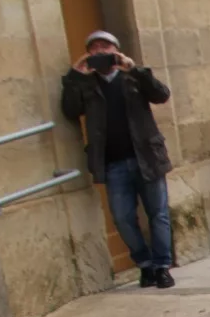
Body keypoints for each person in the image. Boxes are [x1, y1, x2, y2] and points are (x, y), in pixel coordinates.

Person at [60, 30, 176, 288]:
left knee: (158, 214)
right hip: (113, 164)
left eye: (106, 46)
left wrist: (135, 69)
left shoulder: (132, 78)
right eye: (94, 48)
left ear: (117, 51)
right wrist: (75, 75)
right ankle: (145, 264)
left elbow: (161, 94)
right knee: (122, 218)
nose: (100, 51)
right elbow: (70, 110)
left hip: (147, 158)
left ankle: (162, 267)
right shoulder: (87, 85)